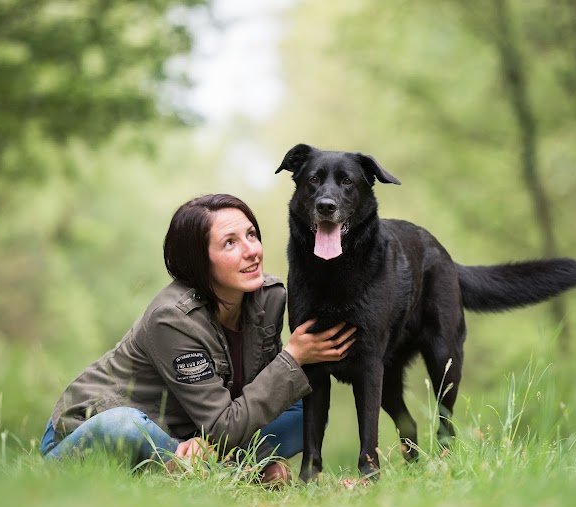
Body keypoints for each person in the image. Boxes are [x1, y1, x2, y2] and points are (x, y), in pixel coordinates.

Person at [39, 194, 355, 484]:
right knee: (123, 426)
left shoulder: (269, 297)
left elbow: (253, 398)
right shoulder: (172, 318)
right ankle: (236, 475)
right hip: (88, 432)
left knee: (308, 409)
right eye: (230, 243)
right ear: (198, 260)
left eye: (251, 235)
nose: (251, 251)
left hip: (201, 435)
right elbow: (223, 425)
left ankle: (208, 470)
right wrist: (293, 358)